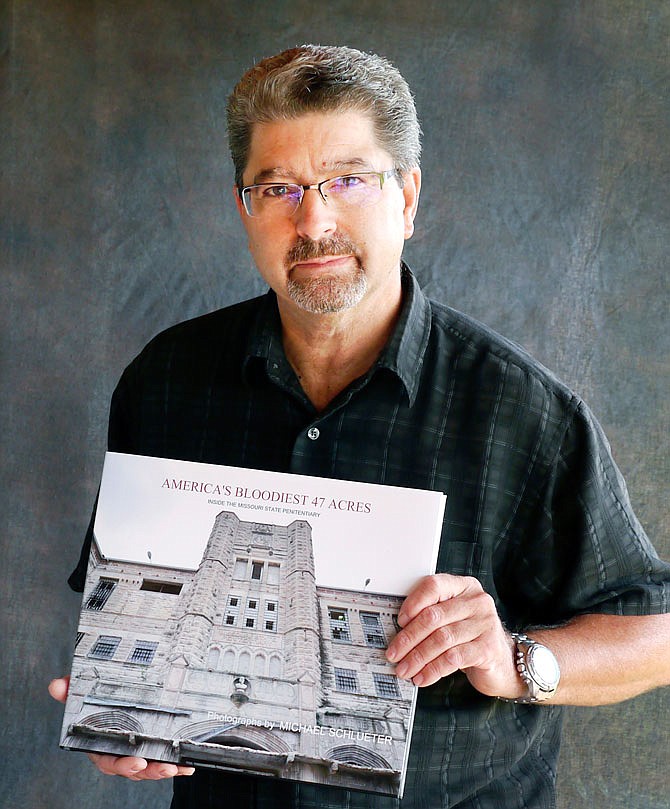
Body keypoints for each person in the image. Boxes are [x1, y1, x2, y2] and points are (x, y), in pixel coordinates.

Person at [49, 44, 670, 808]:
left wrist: (512, 657)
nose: (314, 219)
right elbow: (123, 597)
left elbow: (657, 633)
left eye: (347, 180)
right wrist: (124, 718)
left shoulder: (523, 410)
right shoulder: (167, 380)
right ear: (244, 209)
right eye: (277, 187)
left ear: (407, 198)